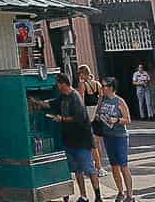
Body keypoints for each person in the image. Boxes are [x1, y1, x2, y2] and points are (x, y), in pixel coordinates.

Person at [47, 74, 102, 202]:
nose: (57, 86)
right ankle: (83, 196)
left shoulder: (75, 97)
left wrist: (62, 119)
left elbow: (79, 118)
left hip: (82, 140)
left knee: (89, 169)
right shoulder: (63, 97)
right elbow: (52, 103)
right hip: (69, 140)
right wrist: (38, 102)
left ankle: (98, 196)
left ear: (63, 84)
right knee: (77, 170)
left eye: (58, 84)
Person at [97, 77, 133, 202]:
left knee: (123, 165)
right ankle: (120, 192)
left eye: (104, 86)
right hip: (108, 135)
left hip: (120, 136)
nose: (102, 88)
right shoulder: (103, 100)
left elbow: (128, 120)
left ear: (111, 88)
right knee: (114, 166)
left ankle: (130, 195)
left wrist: (116, 120)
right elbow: (97, 114)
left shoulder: (119, 101)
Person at [77, 65, 105, 167]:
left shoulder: (82, 84)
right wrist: (98, 111)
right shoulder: (97, 84)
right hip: (97, 112)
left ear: (83, 74)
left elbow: (81, 100)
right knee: (98, 141)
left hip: (88, 113)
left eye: (79, 73)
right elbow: (101, 98)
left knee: (90, 141)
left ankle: (97, 165)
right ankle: (99, 163)